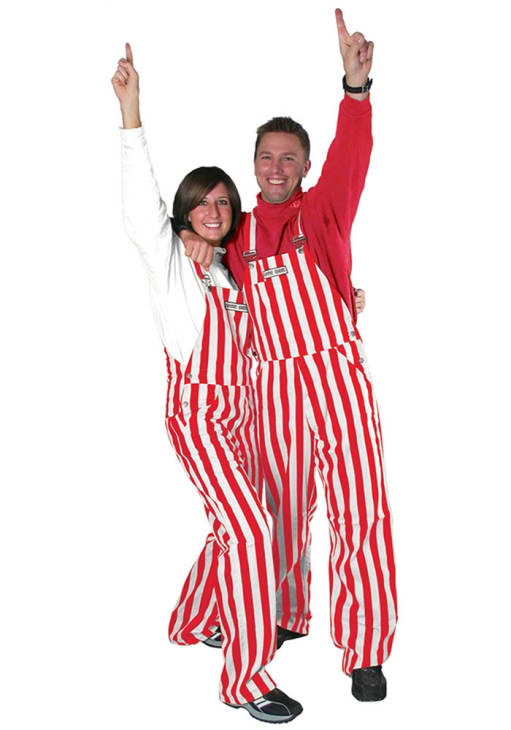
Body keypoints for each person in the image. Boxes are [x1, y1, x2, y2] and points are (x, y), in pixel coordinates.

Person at [180, 8, 397, 702]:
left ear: (305, 167)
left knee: (359, 505)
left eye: (288, 159)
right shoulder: (234, 231)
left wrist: (355, 89)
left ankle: (365, 649)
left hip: (334, 371)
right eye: (266, 158)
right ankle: (281, 613)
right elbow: (179, 244)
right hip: (268, 382)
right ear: (253, 165)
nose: (276, 168)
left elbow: (352, 152)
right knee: (276, 507)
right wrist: (188, 238)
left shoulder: (322, 210)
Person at [111, 44, 303, 723]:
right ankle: (244, 679)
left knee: (238, 523)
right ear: (186, 211)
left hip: (245, 420)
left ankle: (195, 620)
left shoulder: (231, 269)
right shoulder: (172, 264)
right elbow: (142, 210)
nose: (215, 209)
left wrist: (350, 298)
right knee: (251, 528)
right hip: (199, 418)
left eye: (224, 201)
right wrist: (131, 114)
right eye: (203, 203)